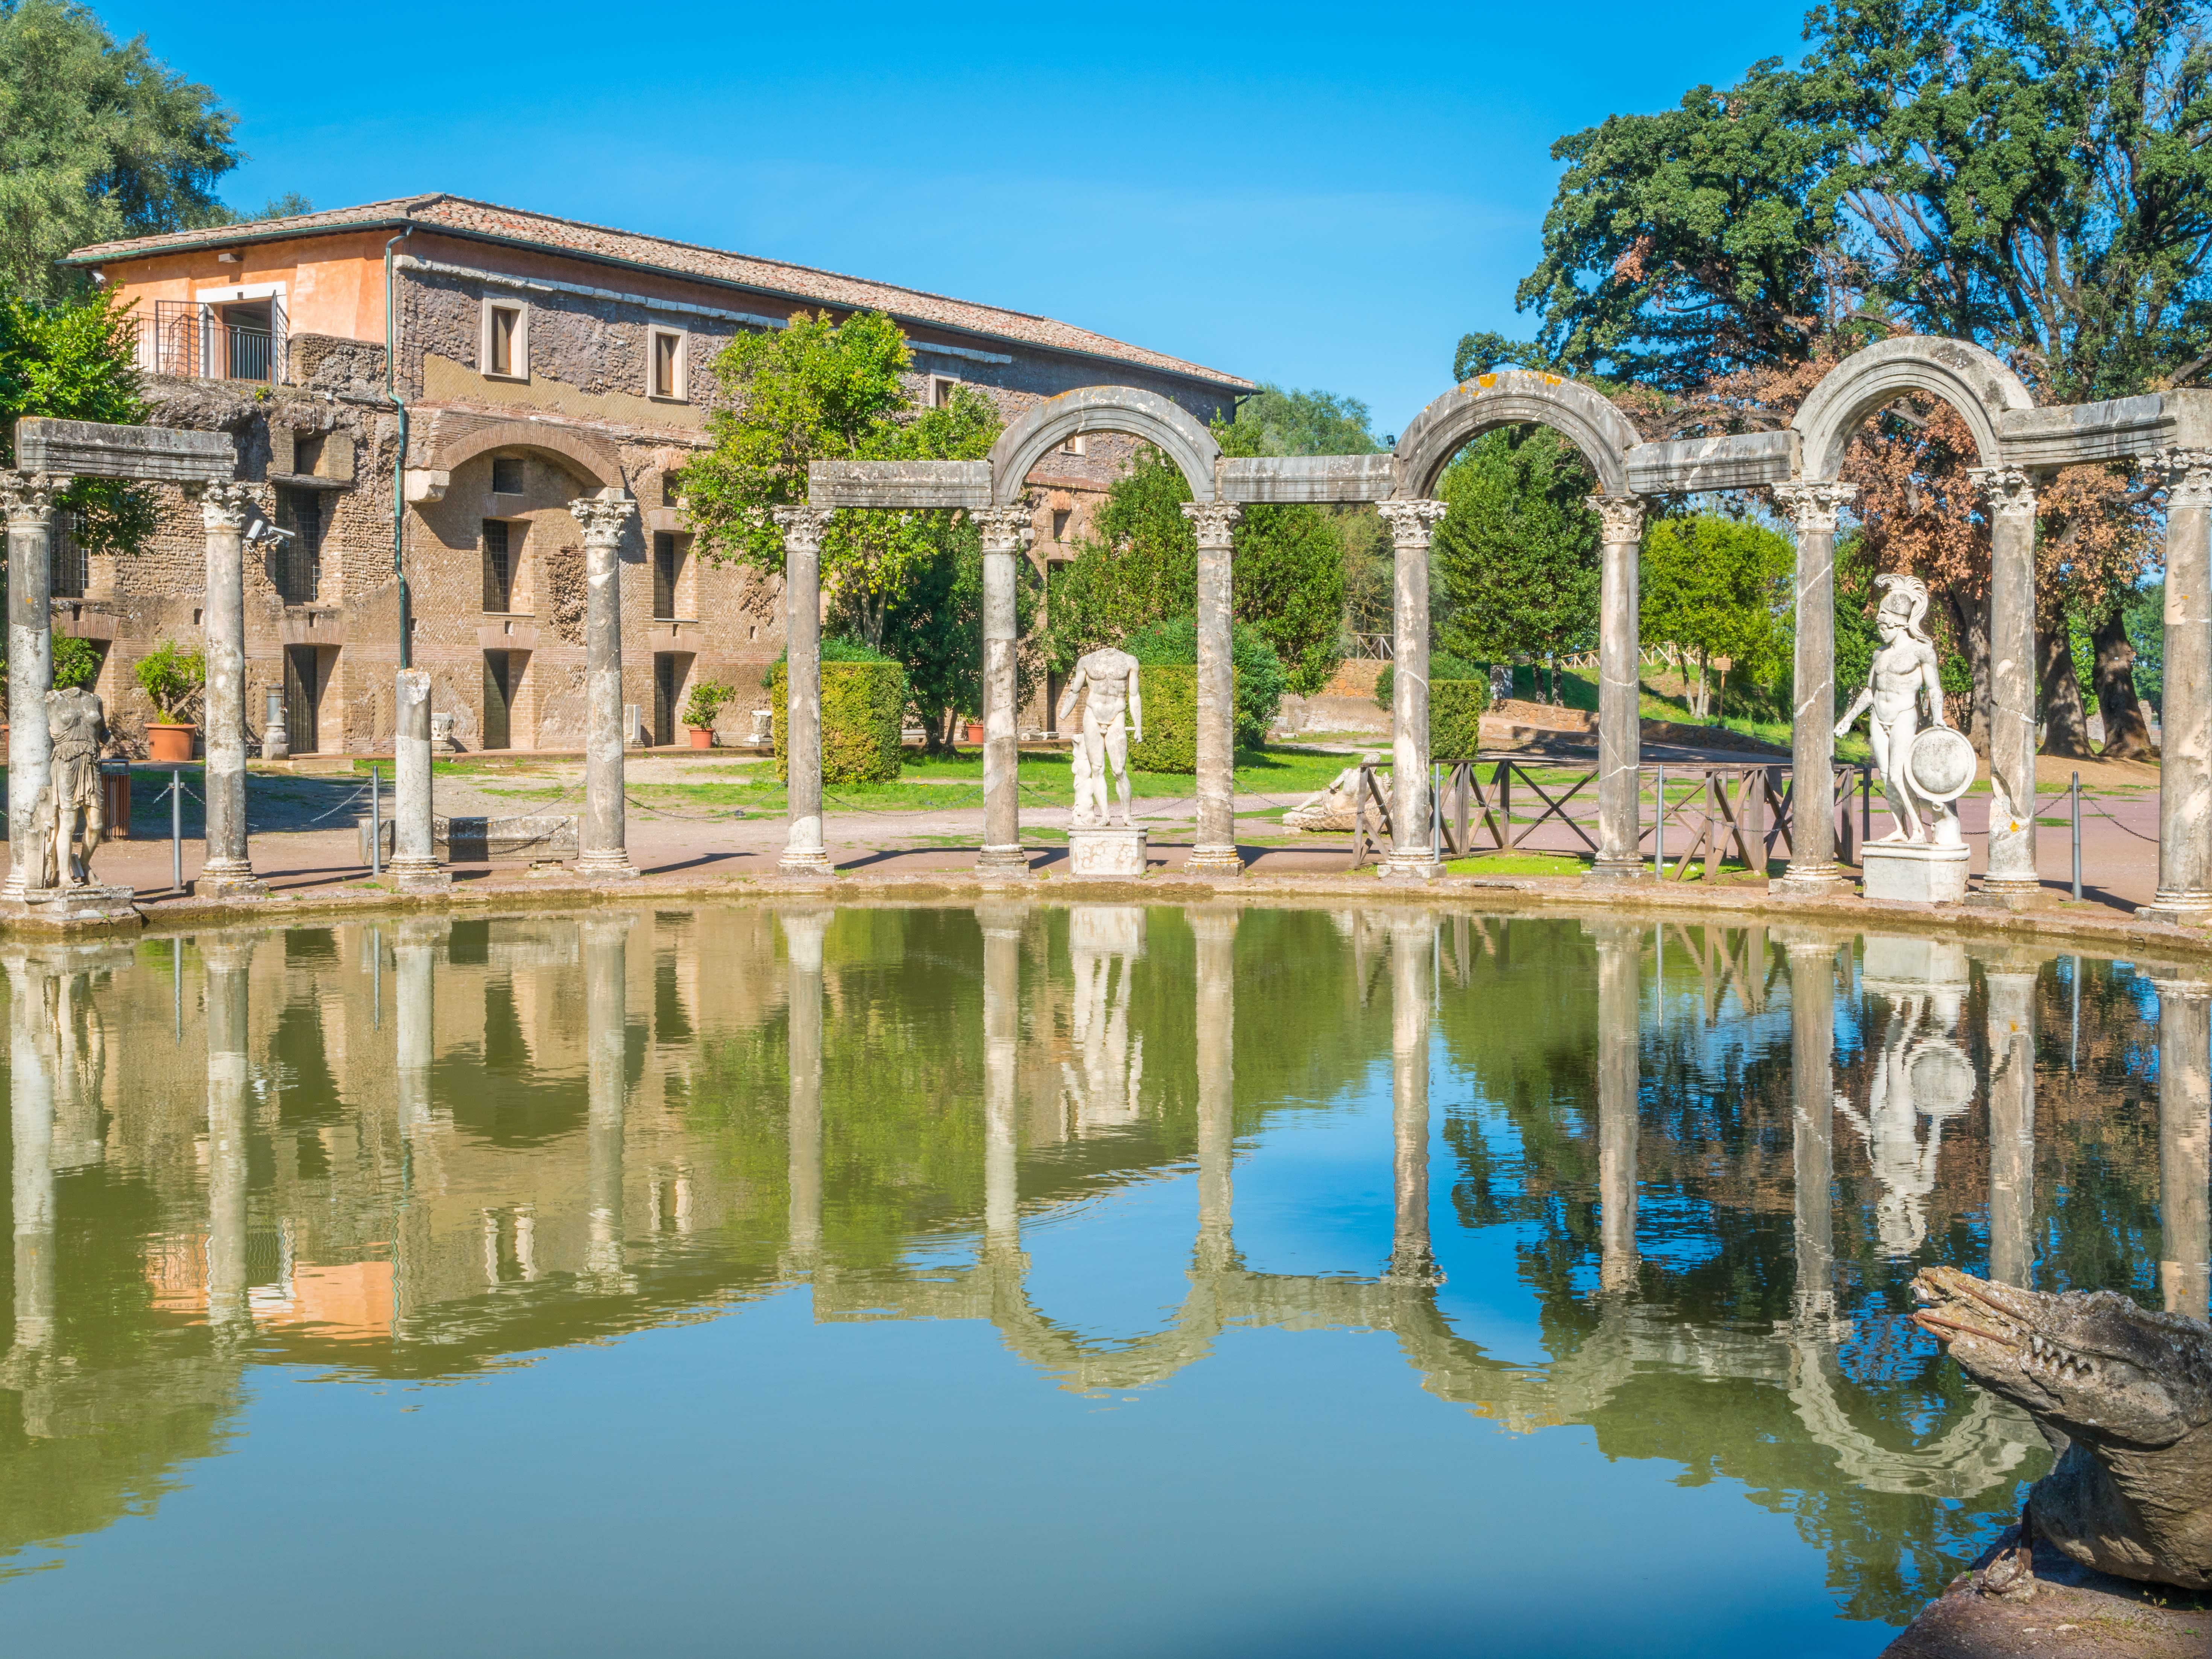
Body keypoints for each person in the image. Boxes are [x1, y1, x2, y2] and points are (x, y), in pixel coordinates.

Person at [1834, 574, 1954, 844]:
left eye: (1885, 626)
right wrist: (1847, 719)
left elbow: (1933, 688)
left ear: (1899, 625)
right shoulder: (1880, 654)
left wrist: (1937, 718)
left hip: (1903, 713)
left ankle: (1919, 831)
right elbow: (1870, 691)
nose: (1881, 631)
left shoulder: (1921, 651)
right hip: (1879, 715)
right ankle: (1900, 830)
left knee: (1900, 775)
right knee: (1887, 776)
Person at [1056, 648, 1144, 828]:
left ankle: (1127, 817)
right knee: (1097, 769)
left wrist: (1138, 727)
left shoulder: (1129, 661)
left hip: (1117, 715)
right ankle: (1105, 816)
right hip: (1092, 715)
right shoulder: (1087, 661)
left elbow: (1134, 695)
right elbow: (1075, 690)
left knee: (1119, 770)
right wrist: (1063, 715)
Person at [43, 686, 110, 888]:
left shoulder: (94, 699)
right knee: (68, 823)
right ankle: (63, 874)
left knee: (96, 824)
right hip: (66, 763)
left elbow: (104, 733)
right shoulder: (54, 699)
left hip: (91, 762)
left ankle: (84, 865)